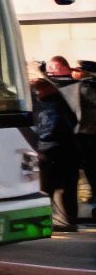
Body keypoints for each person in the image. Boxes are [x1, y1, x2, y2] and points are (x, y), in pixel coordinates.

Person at [30, 77, 79, 232]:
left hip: (52, 151)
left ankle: (53, 221)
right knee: (66, 189)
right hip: (63, 151)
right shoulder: (61, 102)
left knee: (49, 189)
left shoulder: (45, 104)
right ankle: (69, 221)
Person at [72, 60, 96, 221]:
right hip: (87, 135)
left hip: (89, 136)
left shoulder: (85, 87)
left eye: (79, 70)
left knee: (90, 170)